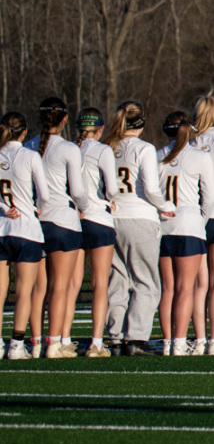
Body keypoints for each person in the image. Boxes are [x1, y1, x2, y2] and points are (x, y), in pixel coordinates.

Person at [102, 101, 169, 356]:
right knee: (146, 281)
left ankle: (116, 338)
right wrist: (166, 206)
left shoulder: (108, 146)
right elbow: (151, 189)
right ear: (141, 123)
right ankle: (137, 338)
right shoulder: (144, 148)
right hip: (140, 217)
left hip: (112, 218)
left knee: (118, 280)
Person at [30, 98, 84, 359]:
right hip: (63, 221)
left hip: (36, 223)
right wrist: (84, 207)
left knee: (38, 289)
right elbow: (78, 191)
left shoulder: (29, 145)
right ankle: (54, 344)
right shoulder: (68, 149)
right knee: (59, 287)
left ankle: (36, 342)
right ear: (64, 119)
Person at [153, 111, 209, 356]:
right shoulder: (199, 157)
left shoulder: (157, 156)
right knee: (186, 288)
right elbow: (210, 198)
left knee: (168, 288)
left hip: (163, 226)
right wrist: (199, 220)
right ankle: (178, 342)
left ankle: (167, 343)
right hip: (188, 226)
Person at [1, 112, 49, 360]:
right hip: (25, 230)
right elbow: (44, 194)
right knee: (24, 291)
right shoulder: (29, 155)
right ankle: (16, 345)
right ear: (23, 132)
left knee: (0, 291)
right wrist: (36, 206)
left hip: (1, 229)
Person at [71, 107, 117, 356]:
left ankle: (63, 339)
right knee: (100, 285)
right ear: (100, 130)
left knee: (71, 285)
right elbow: (111, 189)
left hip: (75, 220)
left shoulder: (71, 147)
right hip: (98, 218)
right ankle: (97, 343)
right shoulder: (103, 150)